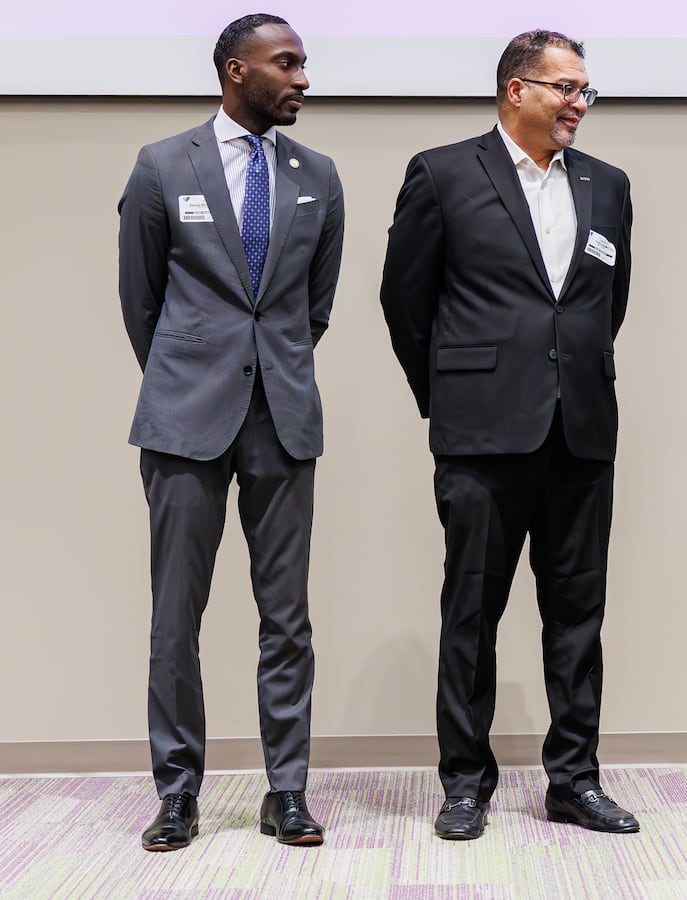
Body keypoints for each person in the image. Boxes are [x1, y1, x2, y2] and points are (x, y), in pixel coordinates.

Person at [379, 29, 639, 839]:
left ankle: (575, 780)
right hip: (481, 435)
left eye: (586, 90)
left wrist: (570, 376)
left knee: (578, 617)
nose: (578, 104)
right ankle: (465, 784)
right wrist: (454, 399)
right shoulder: (444, 173)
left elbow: (606, 303)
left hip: (583, 431)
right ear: (515, 90)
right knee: (472, 613)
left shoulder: (609, 184)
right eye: (565, 88)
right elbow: (404, 303)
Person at [118, 13, 344, 851]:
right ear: (235, 70)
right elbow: (141, 301)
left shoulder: (318, 175)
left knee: (288, 619)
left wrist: (266, 366)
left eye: (303, 63)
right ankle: (177, 794)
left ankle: (287, 792)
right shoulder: (161, 165)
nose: (303, 78)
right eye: (287, 63)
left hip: (283, 420)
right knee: (175, 616)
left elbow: (311, 310)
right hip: (184, 418)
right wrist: (191, 372)